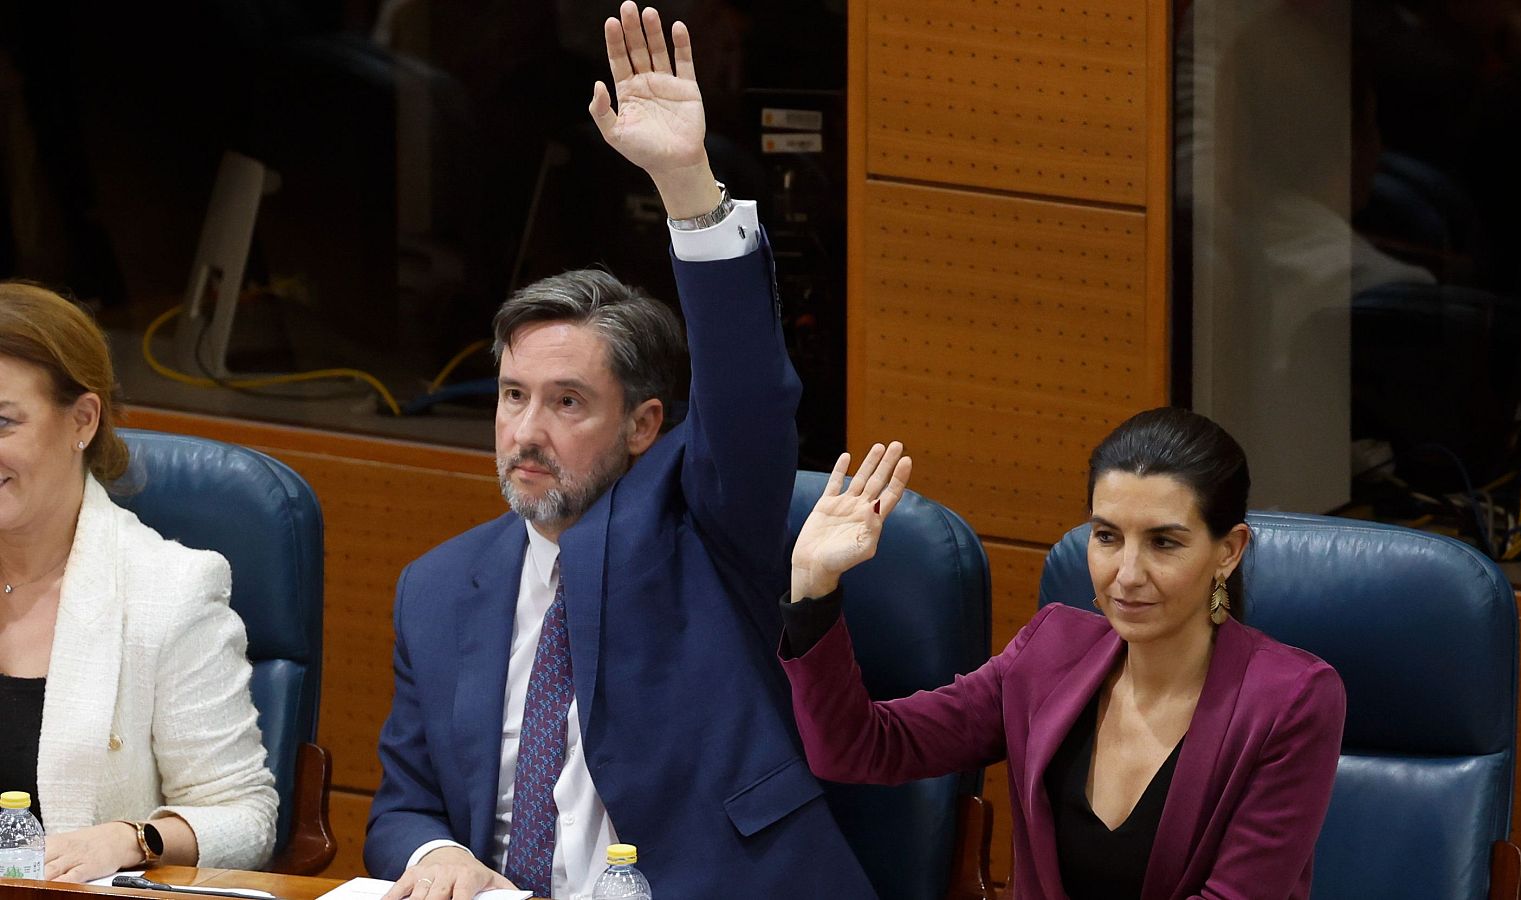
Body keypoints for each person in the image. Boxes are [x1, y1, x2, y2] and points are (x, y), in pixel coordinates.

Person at [363, 4, 873, 898]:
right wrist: (434, 855)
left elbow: (749, 397)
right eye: (514, 397)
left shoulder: (703, 523)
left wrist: (686, 182)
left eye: (567, 403)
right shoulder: (440, 589)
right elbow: (402, 806)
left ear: (644, 426)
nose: (525, 432)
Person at [781, 409, 1347, 900]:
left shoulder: (1291, 700)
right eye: (1106, 536)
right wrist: (813, 582)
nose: (1126, 575)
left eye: (1163, 542)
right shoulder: (1050, 651)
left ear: (1228, 551)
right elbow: (855, 749)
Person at [0, 282, 277, 880]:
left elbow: (246, 816)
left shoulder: (170, 591)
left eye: (2, 422)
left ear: (82, 419)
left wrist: (135, 840)